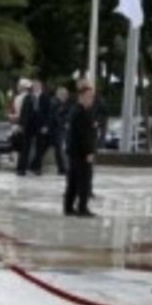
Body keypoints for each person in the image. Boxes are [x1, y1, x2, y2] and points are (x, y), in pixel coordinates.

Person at [64, 83, 98, 217]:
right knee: (84, 180)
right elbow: (84, 135)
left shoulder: (75, 110)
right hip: (80, 153)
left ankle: (68, 207)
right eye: (90, 97)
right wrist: (89, 152)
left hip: (74, 152)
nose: (92, 100)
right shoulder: (81, 112)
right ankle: (82, 208)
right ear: (82, 97)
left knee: (72, 181)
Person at [17, 79, 52, 175]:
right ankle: (21, 169)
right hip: (28, 125)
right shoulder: (28, 97)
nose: (35, 87)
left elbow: (49, 113)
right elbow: (23, 112)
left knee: (39, 147)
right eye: (34, 86)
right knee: (25, 147)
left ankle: (37, 168)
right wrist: (21, 124)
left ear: (41, 86)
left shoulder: (45, 97)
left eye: (37, 85)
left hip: (40, 125)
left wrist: (46, 125)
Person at [51, 85, 73, 177]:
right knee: (58, 149)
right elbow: (53, 116)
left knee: (64, 149)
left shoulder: (70, 104)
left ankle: (65, 168)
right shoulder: (54, 103)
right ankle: (61, 168)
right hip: (57, 129)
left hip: (66, 129)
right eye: (61, 94)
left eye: (64, 94)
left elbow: (71, 115)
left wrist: (67, 122)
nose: (63, 96)